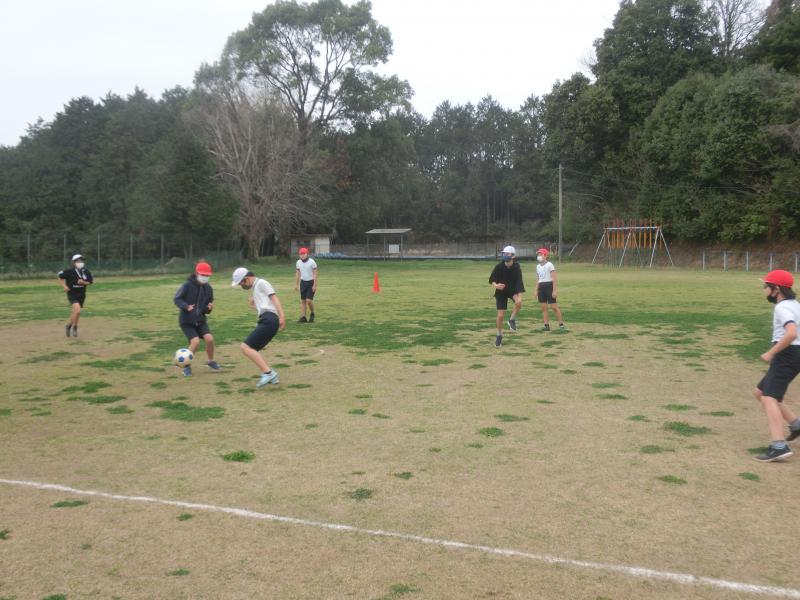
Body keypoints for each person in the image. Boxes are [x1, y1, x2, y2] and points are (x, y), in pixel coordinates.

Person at [753, 270, 800, 462]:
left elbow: (791, 333)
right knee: (760, 392)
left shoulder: (782, 308)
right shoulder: (794, 304)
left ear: (777, 289)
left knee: (768, 397)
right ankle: (796, 424)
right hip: (793, 353)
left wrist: (772, 352)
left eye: (766, 285)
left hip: (788, 354)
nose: (764, 289)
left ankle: (779, 446)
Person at [232, 266, 286, 388]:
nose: (241, 286)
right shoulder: (255, 287)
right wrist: (254, 306)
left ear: (246, 278)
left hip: (269, 320)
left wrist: (282, 317)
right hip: (267, 319)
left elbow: (274, 299)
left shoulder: (261, 283)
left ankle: (268, 373)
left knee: (245, 347)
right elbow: (264, 307)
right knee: (251, 348)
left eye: (241, 283)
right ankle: (272, 377)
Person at [173, 261, 219, 377]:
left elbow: (206, 309)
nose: (205, 277)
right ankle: (186, 366)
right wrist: (186, 306)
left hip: (200, 320)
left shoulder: (208, 288)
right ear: (196, 273)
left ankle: (211, 361)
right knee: (195, 342)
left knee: (209, 339)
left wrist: (209, 308)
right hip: (187, 321)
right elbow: (177, 299)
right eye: (203, 275)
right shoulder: (187, 285)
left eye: (207, 275)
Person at [489, 245, 524, 347]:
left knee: (519, 302)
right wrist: (496, 285)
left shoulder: (517, 268)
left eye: (507, 254)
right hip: (501, 292)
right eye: (504, 253)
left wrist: (519, 296)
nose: (505, 255)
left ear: (513, 256)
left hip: (512, 291)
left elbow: (519, 282)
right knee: (500, 316)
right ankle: (499, 335)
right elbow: (492, 280)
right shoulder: (498, 267)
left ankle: (511, 320)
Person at [57, 253, 94, 338]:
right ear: (74, 262)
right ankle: (75, 328)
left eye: (82, 261)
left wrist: (84, 282)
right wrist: (64, 286)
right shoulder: (69, 271)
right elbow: (59, 276)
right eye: (78, 261)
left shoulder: (86, 271)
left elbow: (90, 282)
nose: (81, 263)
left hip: (82, 294)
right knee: (77, 311)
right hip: (72, 293)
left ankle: (69, 326)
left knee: (75, 312)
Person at [534, 247, 565, 331]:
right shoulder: (537, 266)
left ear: (545, 255)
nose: (539, 256)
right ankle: (546, 325)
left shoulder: (550, 265)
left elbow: (554, 278)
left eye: (540, 254)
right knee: (544, 308)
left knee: (554, 307)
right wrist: (536, 290)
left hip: (549, 286)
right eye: (538, 254)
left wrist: (554, 290)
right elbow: (538, 279)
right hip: (541, 287)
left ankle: (561, 325)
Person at [294, 247, 318, 323]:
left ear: (307, 254)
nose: (302, 255)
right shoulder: (298, 263)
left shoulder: (312, 262)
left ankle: (312, 313)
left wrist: (314, 285)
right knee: (303, 301)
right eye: (301, 254)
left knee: (308, 300)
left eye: (304, 254)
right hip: (303, 283)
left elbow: (315, 274)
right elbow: (297, 274)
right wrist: (296, 285)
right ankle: (303, 317)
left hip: (311, 282)